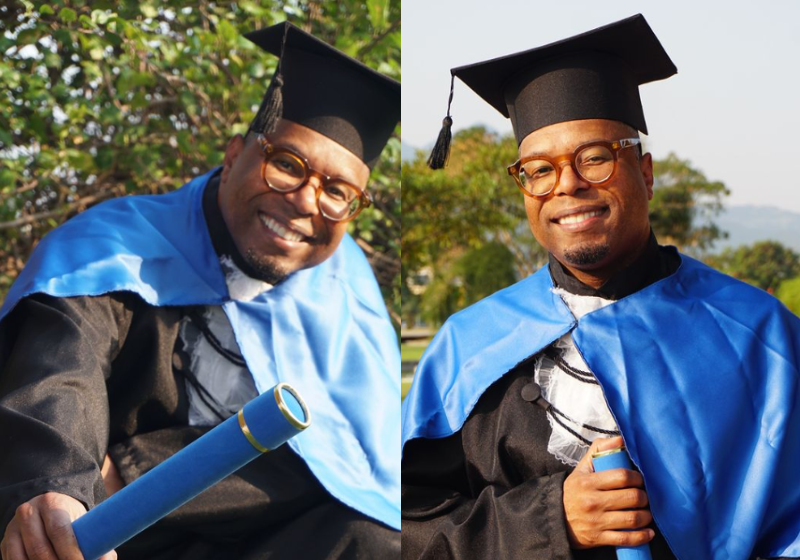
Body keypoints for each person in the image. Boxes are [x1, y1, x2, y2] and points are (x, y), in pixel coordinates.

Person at [401, 14, 800, 560]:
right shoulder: (469, 345)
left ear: (647, 173)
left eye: (595, 158)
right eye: (538, 170)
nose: (567, 184)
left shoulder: (758, 332)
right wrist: (550, 519)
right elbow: (404, 525)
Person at [0, 22, 401, 560]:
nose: (308, 202)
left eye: (338, 192)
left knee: (375, 542)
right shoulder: (117, 246)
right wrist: (59, 485)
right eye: (287, 164)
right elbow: (61, 367)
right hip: (111, 537)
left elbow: (346, 453)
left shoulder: (345, 289)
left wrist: (134, 468)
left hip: (256, 537)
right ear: (234, 155)